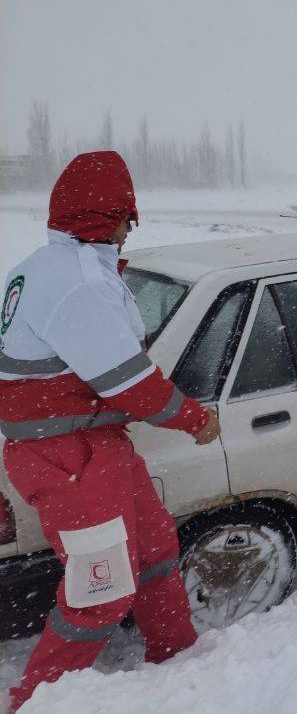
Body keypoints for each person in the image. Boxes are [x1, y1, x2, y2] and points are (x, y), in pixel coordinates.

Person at [0, 152, 220, 710]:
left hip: (95, 444)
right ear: (105, 215)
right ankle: (36, 701)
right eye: (127, 218)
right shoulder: (78, 283)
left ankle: (176, 653)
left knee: (153, 552)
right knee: (99, 590)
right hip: (67, 453)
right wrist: (195, 419)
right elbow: (133, 387)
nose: (129, 231)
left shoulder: (50, 267)